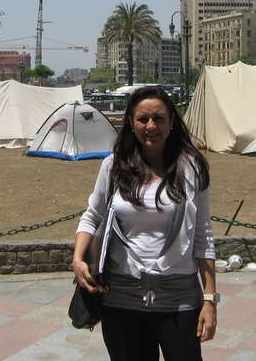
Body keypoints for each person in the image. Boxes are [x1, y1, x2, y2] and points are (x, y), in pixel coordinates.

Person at [73, 86, 217, 361]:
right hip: (121, 295)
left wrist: (210, 299)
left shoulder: (192, 168)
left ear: (172, 122)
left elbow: (203, 234)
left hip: (178, 295)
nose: (151, 126)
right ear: (130, 122)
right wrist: (78, 258)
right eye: (143, 119)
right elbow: (92, 216)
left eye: (159, 118)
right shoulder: (113, 167)